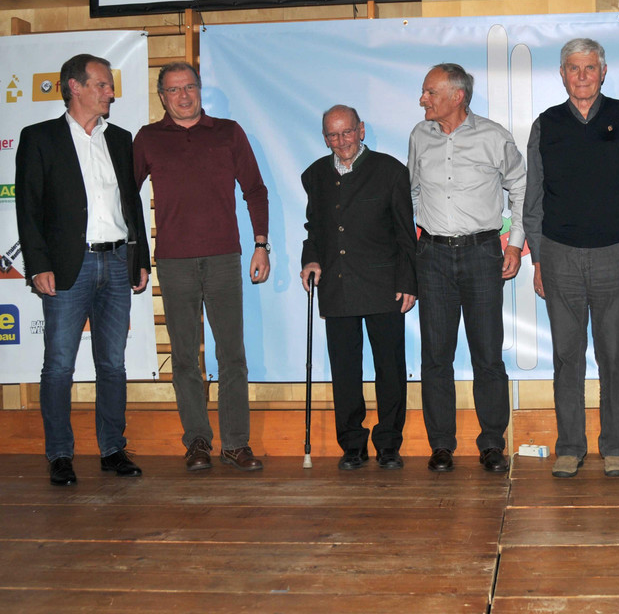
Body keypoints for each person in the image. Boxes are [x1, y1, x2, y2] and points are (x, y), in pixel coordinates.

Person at [523, 38, 619, 478]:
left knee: (614, 356)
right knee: (567, 357)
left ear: (603, 72)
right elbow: (533, 201)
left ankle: (616, 447)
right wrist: (539, 258)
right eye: (573, 68)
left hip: (615, 254)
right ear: (562, 74)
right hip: (559, 256)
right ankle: (570, 447)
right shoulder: (546, 125)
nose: (582, 76)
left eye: (590, 68)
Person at [15, 53, 150, 486]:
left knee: (112, 364)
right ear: (75, 87)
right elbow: (28, 208)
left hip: (117, 262)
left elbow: (132, 205)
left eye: (110, 85)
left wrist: (140, 258)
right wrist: (38, 265)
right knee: (59, 365)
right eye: (102, 84)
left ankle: (112, 449)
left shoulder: (121, 139)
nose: (111, 92)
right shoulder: (40, 138)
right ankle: (60, 454)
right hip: (68, 266)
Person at [134, 62, 271, 473]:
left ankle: (235, 444)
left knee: (232, 356)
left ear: (199, 89)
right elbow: (125, 196)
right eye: (174, 90)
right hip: (173, 261)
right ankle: (197, 441)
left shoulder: (228, 132)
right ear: (162, 97)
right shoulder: (148, 139)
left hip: (224, 258)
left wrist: (261, 244)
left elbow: (255, 189)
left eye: (189, 87)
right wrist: (134, 254)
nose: (183, 96)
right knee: (183, 358)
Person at [408, 63, 526, 474]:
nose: (422, 99)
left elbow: (521, 187)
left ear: (457, 96)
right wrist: (418, 240)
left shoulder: (494, 136)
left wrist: (515, 243)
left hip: (481, 254)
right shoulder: (419, 136)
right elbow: (412, 191)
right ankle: (441, 445)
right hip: (433, 256)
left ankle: (492, 443)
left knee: (487, 354)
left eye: (430, 92)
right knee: (435, 357)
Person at [300, 105, 417, 471]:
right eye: (332, 135)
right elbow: (314, 228)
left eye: (347, 132)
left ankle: (389, 444)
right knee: (345, 370)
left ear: (361, 130)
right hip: (337, 284)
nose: (341, 141)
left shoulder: (390, 171)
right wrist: (310, 259)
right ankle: (352, 445)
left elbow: (405, 232)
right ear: (325, 138)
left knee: (390, 368)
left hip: (385, 285)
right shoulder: (315, 175)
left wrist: (408, 281)